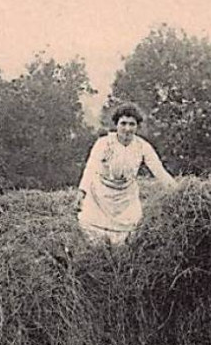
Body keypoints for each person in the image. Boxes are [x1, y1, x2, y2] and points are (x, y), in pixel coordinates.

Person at [76, 103, 177, 244]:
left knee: (126, 240)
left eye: (132, 124)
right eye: (123, 123)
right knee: (96, 237)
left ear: (137, 126)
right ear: (116, 124)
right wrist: (82, 192)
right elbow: (90, 168)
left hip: (126, 198)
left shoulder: (143, 146)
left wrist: (177, 191)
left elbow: (159, 171)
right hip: (100, 197)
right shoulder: (103, 144)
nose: (127, 129)